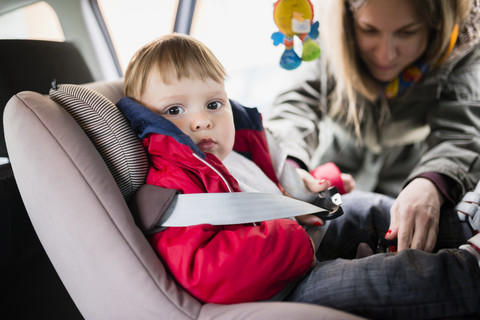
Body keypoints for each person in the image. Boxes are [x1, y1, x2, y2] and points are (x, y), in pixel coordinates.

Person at [117, 33, 480, 319]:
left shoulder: (232, 157)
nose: (201, 120)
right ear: (146, 120)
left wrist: (317, 185)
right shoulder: (174, 187)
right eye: (175, 109)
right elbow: (205, 273)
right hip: (281, 290)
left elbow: (267, 193)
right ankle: (468, 270)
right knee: (388, 280)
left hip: (297, 247)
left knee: (366, 208)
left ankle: (462, 222)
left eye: (214, 103)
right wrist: (290, 226)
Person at [266, 0, 480, 253]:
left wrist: (432, 182)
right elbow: (295, 105)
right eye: (369, 30)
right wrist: (288, 168)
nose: (385, 54)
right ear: (346, 19)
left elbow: (460, 133)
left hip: (409, 175)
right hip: (329, 163)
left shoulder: (464, 47)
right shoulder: (324, 32)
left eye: (407, 32)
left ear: (437, 26)